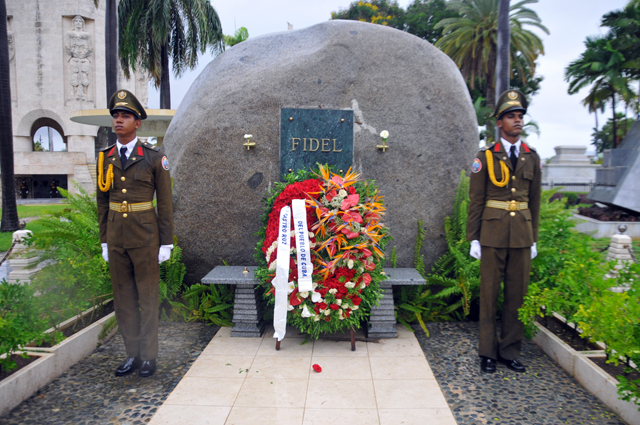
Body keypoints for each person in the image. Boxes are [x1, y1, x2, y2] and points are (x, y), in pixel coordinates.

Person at [97, 90, 174, 378]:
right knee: (123, 298)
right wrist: (104, 239)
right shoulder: (105, 157)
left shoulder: (154, 157)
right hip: (117, 237)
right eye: (116, 115)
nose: (119, 120)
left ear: (137, 123)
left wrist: (166, 243)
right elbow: (102, 201)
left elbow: (165, 202)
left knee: (148, 297)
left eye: (125, 116)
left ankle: (149, 357)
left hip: (145, 238)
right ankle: (132, 354)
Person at [467, 89, 541, 374]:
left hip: (521, 236)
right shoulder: (485, 156)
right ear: (499, 123)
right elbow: (476, 200)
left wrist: (534, 238)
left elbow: (534, 202)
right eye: (511, 116)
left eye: (520, 115)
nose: (517, 120)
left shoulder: (531, 157)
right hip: (492, 234)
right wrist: (473, 237)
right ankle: (487, 352)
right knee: (488, 295)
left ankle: (509, 351)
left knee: (517, 296)